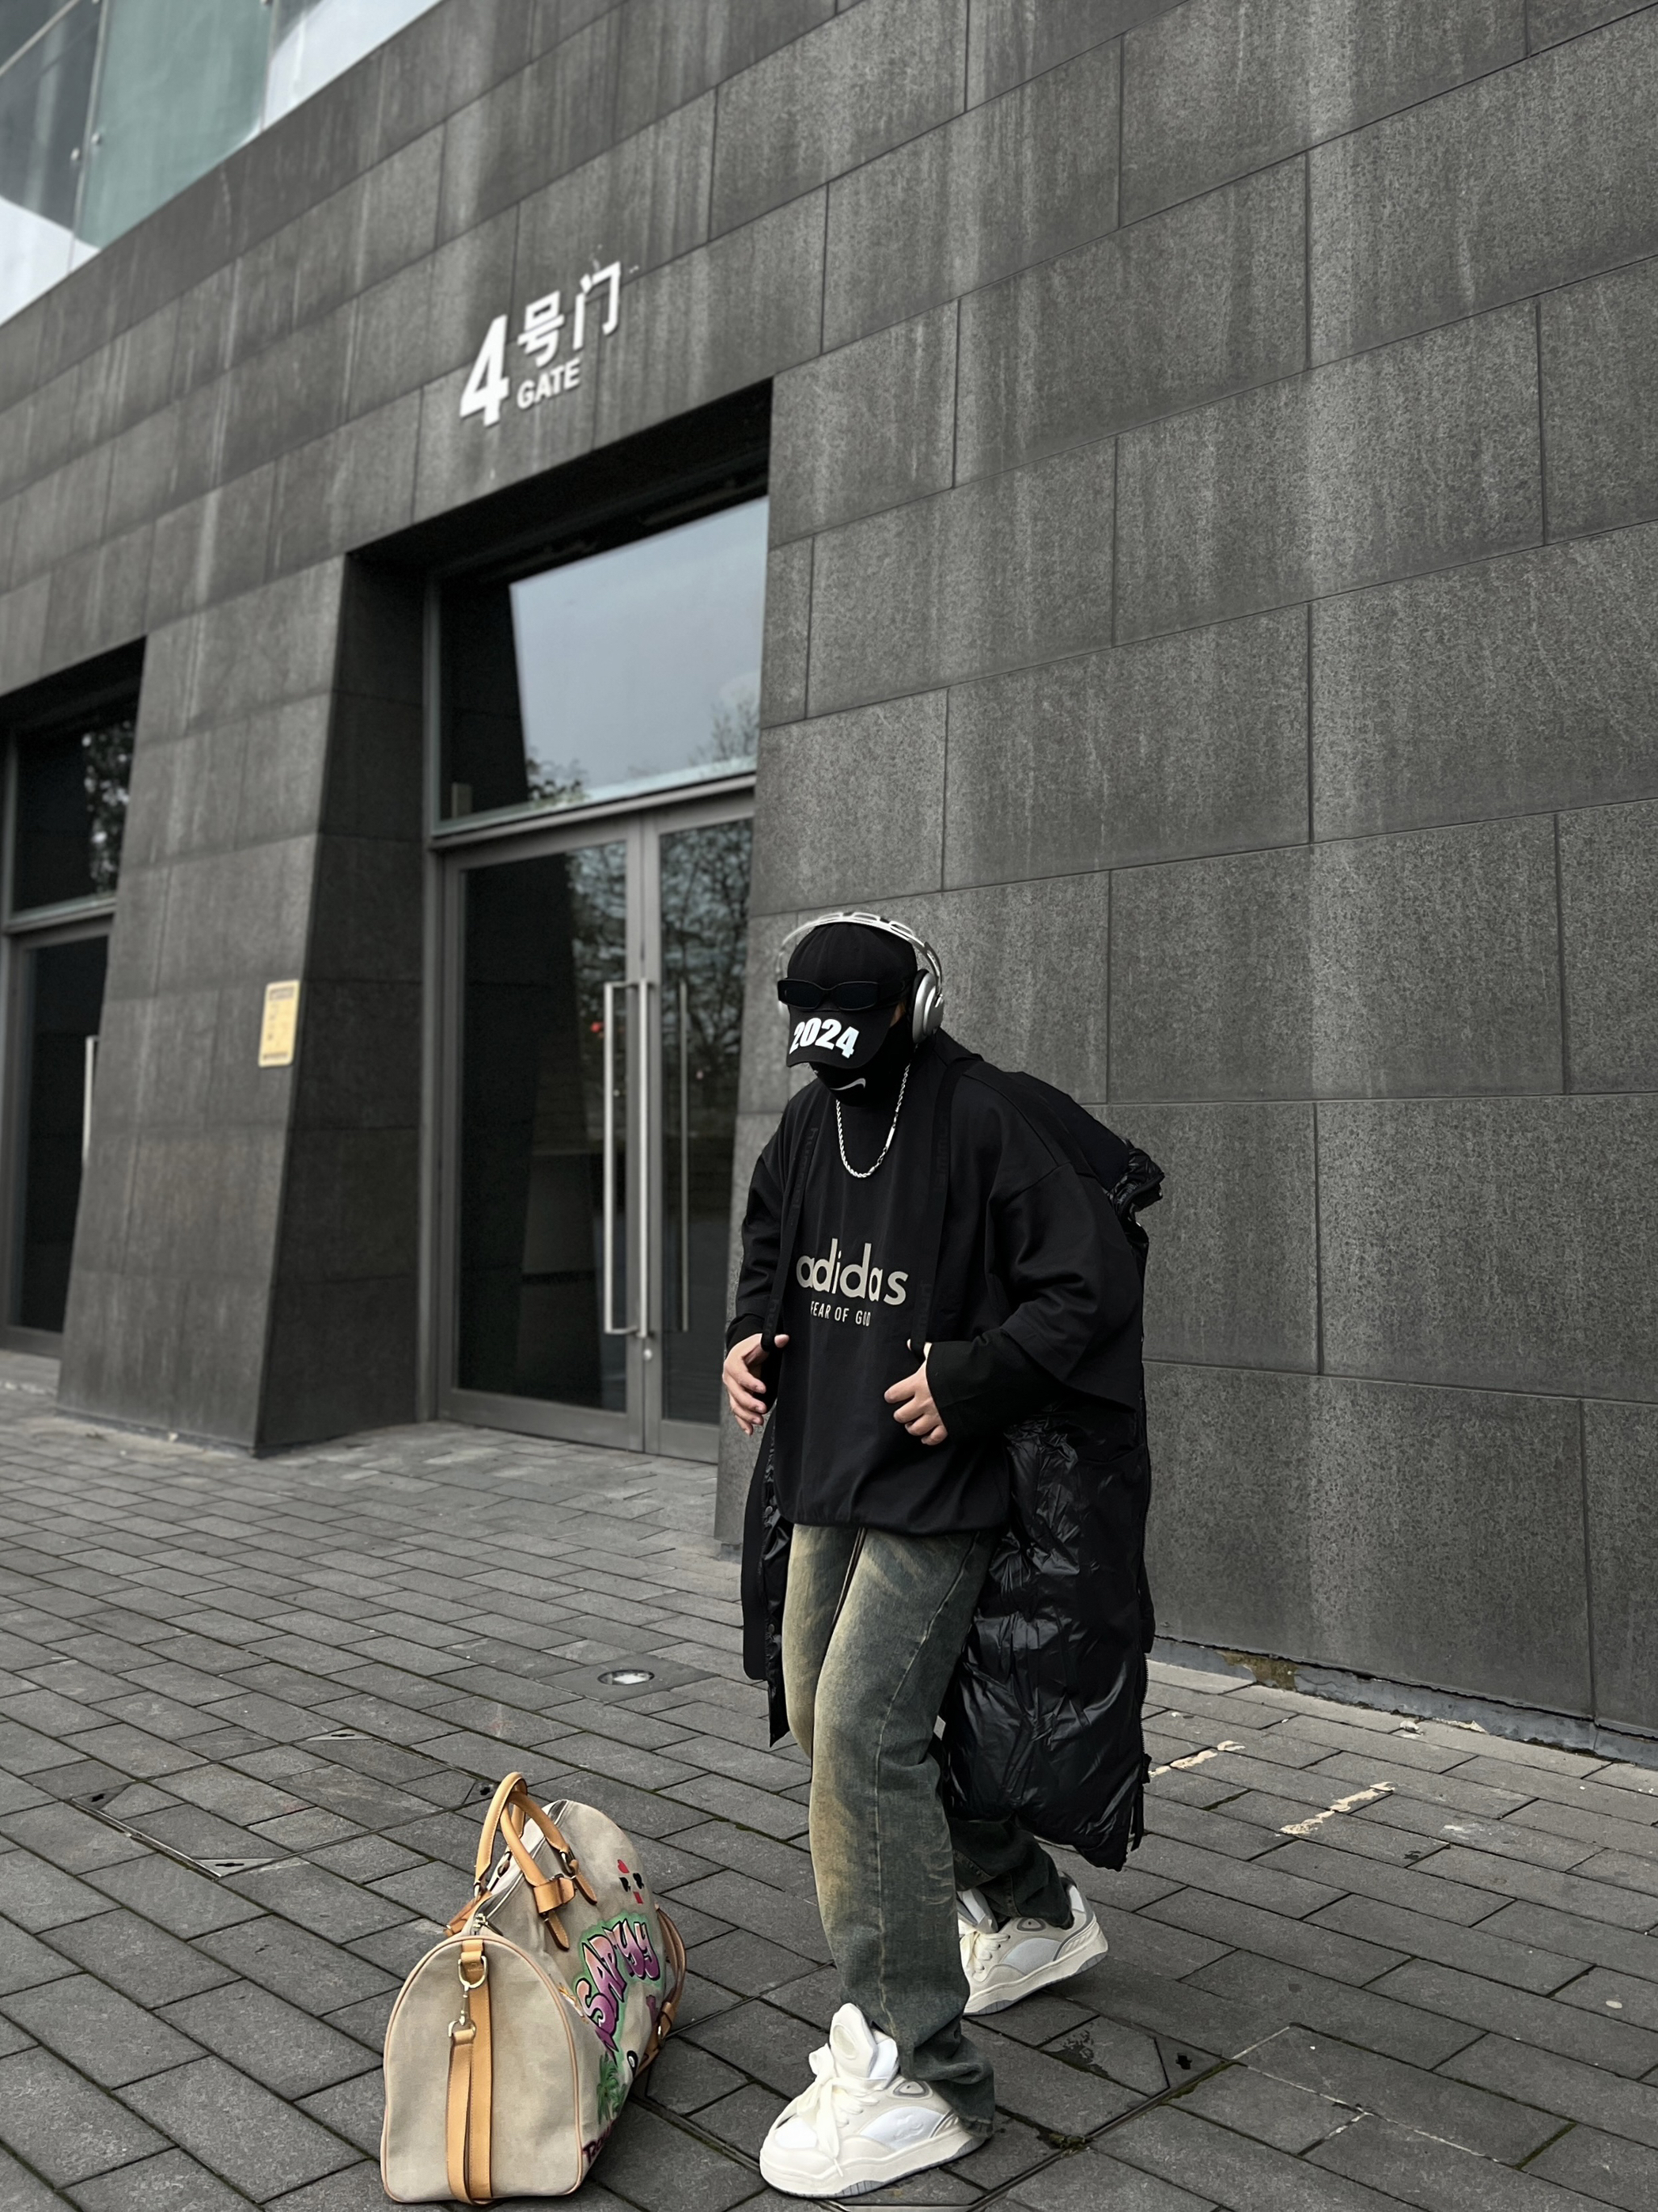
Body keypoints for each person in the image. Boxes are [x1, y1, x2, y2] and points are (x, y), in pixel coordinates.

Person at [721, 912, 1147, 2198]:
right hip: (829, 1471)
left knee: (863, 1733)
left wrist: (974, 1377)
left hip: (945, 1488)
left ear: (916, 1006)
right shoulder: (815, 1118)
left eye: (855, 1036)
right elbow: (769, 1236)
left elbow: (1089, 1283)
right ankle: (1024, 1911)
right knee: (823, 1718)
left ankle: (922, 2070)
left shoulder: (986, 1116)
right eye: (817, 1042)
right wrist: (748, 1335)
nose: (833, 1064)